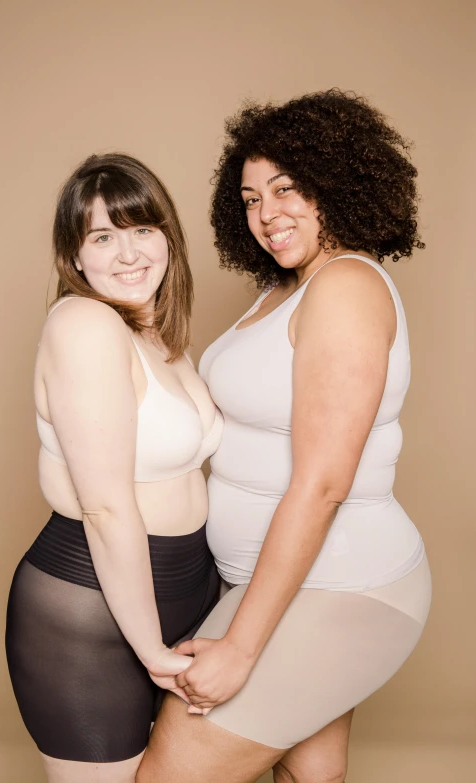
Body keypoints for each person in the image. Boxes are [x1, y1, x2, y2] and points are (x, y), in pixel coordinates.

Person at [137, 90, 432, 783]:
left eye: (287, 188)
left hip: (341, 585)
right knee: (308, 775)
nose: (267, 213)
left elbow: (323, 482)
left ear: (336, 181)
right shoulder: (286, 290)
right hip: (283, 582)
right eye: (249, 199)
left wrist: (239, 647)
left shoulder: (347, 285)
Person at [5, 153, 222, 783]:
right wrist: (151, 647)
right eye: (102, 236)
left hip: (186, 592)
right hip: (92, 611)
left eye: (142, 230)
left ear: (168, 239)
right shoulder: (84, 324)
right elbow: (104, 506)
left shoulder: (161, 337)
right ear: (74, 257)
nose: (128, 255)